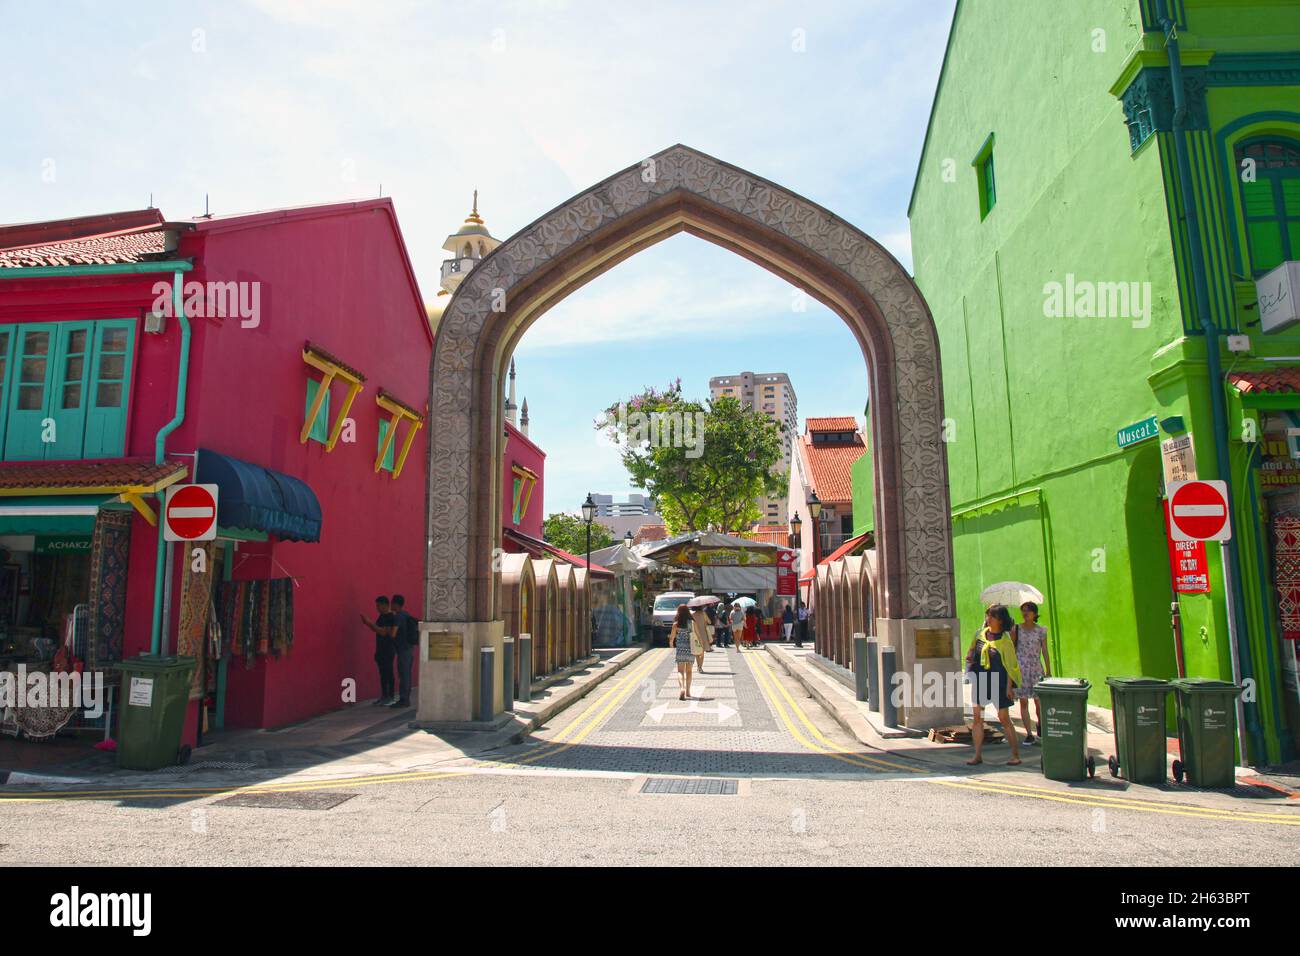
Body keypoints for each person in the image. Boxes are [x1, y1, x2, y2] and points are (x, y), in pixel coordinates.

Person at [965, 605, 1023, 766]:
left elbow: (1011, 666)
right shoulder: (980, 635)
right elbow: (971, 652)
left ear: (1000, 620)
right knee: (978, 718)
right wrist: (970, 663)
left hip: (1000, 682)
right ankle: (977, 755)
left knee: (1004, 718)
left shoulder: (1005, 640)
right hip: (981, 681)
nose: (988, 619)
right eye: (987, 615)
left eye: (992, 616)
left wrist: (1009, 687)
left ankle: (1015, 755)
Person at [1013, 601, 1051, 745]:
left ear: (1034, 613)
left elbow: (1045, 651)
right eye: (1023, 610)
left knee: (1038, 701)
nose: (1025, 613)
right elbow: (1013, 648)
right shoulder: (1016, 629)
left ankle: (1041, 726)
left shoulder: (1041, 631)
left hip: (1036, 668)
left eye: (1028, 610)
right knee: (1023, 701)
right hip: (1021, 668)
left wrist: (1048, 670)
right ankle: (1029, 733)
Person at [359, 596, 397, 705]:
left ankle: (390, 696)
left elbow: (383, 632)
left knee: (388, 672)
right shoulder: (382, 617)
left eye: (378, 605)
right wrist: (368, 624)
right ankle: (384, 695)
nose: (377, 608)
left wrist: (369, 623)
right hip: (380, 649)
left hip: (388, 649)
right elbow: (376, 629)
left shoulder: (391, 617)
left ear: (385, 605)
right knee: (382, 673)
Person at [389, 594, 418, 709]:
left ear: (396, 604)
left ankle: (404, 700)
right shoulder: (406, 615)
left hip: (403, 649)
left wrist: (387, 630)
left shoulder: (398, 617)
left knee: (403, 675)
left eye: (392, 603)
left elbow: (393, 634)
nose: (391, 605)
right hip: (409, 648)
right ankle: (405, 698)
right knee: (407, 674)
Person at [669, 604, 695, 699]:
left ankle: (682, 689)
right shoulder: (691, 623)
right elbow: (696, 635)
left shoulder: (676, 624)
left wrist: (671, 644)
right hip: (690, 648)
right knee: (689, 671)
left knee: (680, 671)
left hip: (680, 648)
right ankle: (688, 691)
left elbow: (672, 637)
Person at [691, 606, 710, 673]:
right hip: (703, 634)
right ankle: (700, 667)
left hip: (695, 635)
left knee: (697, 651)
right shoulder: (703, 613)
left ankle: (698, 666)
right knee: (702, 652)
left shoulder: (692, 615)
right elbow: (709, 622)